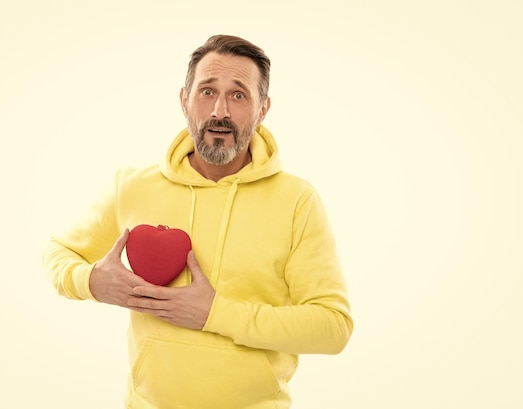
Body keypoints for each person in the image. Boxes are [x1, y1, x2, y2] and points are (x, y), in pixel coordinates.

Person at [43, 34, 353, 409]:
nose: (220, 110)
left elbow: (333, 327)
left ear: (263, 109)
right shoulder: (132, 186)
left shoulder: (297, 201)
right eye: (207, 91)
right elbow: (58, 252)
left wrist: (216, 314)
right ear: (184, 100)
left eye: (239, 95)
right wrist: (91, 280)